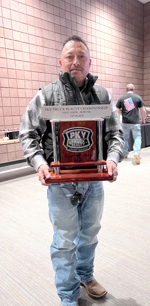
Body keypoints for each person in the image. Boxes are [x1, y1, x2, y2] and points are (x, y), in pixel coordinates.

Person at [19, 35, 124, 306]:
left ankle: (85, 275)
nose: (75, 62)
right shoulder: (46, 95)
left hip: (94, 179)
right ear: (60, 62)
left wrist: (113, 158)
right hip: (60, 182)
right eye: (69, 56)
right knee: (65, 240)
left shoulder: (102, 95)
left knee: (90, 234)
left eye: (81, 57)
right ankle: (67, 296)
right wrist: (40, 164)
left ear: (90, 62)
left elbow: (115, 134)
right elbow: (28, 133)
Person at [116, 83, 146, 164]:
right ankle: (136, 153)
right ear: (134, 89)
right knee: (137, 137)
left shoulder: (122, 98)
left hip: (125, 122)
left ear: (126, 89)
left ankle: (125, 154)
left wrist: (118, 120)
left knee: (125, 138)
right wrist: (143, 119)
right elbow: (143, 110)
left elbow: (117, 110)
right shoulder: (138, 97)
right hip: (135, 122)